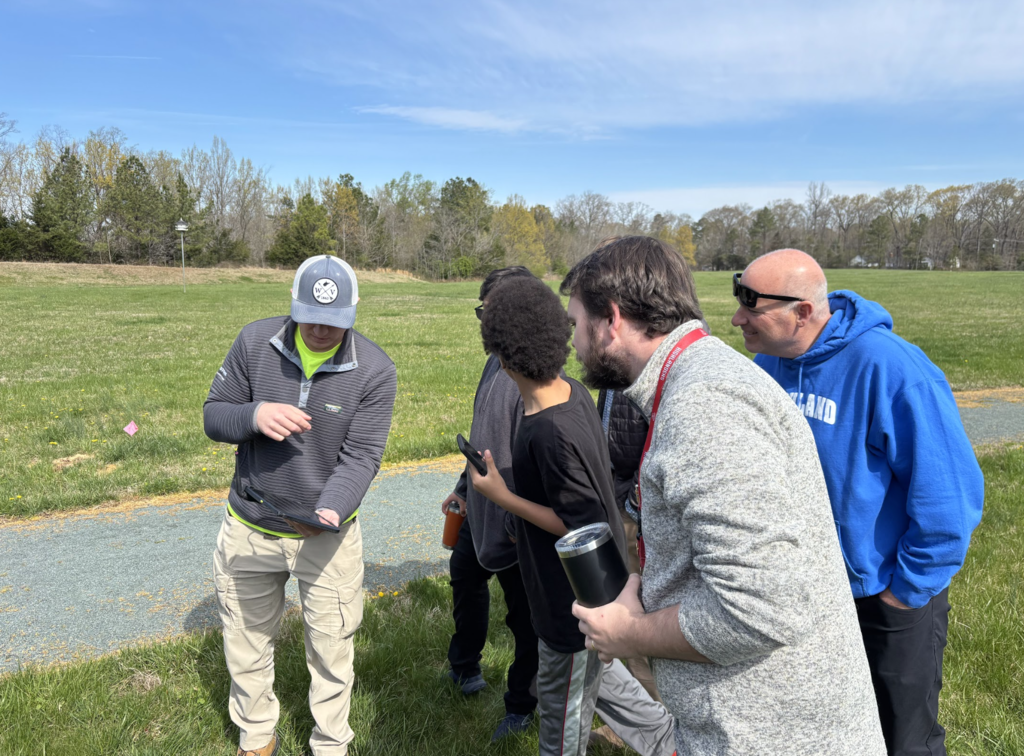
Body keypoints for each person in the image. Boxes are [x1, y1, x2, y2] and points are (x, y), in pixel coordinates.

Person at [565, 236, 886, 756]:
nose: (573, 341)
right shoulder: (701, 378)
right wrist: (647, 589)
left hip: (770, 734)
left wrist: (631, 632)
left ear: (613, 321)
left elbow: (759, 608)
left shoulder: (704, 406)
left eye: (576, 323)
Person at [730, 248, 984, 756]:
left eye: (751, 306)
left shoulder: (892, 369)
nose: (737, 318)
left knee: (901, 739)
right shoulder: (767, 366)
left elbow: (949, 500)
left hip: (886, 598)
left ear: (803, 311)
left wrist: (903, 595)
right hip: (808, 596)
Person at [447, 268, 676, 755]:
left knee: (560, 722)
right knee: (608, 683)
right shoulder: (569, 393)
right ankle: (670, 743)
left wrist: (502, 496)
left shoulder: (548, 430)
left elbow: (583, 528)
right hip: (591, 594)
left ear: (502, 357)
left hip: (569, 601)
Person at [203, 255, 397, 756]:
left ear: (354, 313)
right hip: (251, 524)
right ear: (292, 306)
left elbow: (362, 457)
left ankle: (330, 743)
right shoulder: (253, 342)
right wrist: (255, 413)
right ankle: (256, 736)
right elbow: (214, 417)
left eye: (334, 322)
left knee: (332, 648)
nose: (319, 329)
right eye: (309, 315)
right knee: (245, 641)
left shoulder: (376, 370)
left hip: (326, 537)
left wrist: (331, 508)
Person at [442, 266, 540, 742]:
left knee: (526, 622)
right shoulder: (494, 361)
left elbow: (542, 461)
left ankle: (521, 706)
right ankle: (464, 668)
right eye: (481, 311)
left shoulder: (540, 369)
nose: (484, 321)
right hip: (480, 510)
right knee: (464, 579)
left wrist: (515, 516)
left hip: (518, 523)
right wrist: (463, 488)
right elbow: (484, 436)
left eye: (491, 312)